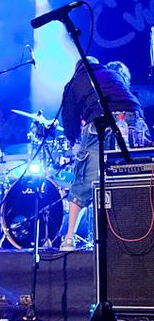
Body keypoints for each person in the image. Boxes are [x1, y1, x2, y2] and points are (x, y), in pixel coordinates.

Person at [60, 58, 150, 250]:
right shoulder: (113, 74)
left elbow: (69, 123)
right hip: (135, 119)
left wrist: (73, 140)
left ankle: (69, 238)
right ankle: (140, 232)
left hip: (101, 122)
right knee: (135, 176)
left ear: (77, 69)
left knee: (84, 182)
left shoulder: (74, 82)